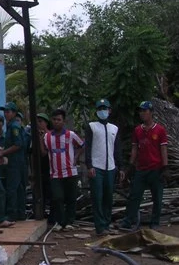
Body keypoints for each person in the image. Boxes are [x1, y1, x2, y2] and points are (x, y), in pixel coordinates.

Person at [118, 101, 169, 231]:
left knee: (157, 197)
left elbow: (163, 149)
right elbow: (135, 149)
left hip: (156, 168)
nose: (142, 113)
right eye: (140, 111)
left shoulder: (160, 130)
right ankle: (128, 221)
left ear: (151, 113)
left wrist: (165, 167)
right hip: (141, 169)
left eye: (144, 111)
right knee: (134, 195)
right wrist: (130, 166)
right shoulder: (138, 130)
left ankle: (155, 222)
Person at [84, 99, 124, 236]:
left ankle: (107, 223)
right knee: (97, 197)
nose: (102, 111)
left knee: (108, 197)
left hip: (110, 167)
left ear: (109, 110)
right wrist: (89, 165)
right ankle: (100, 227)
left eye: (104, 108)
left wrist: (121, 167)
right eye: (100, 109)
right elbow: (88, 147)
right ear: (96, 111)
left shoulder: (114, 128)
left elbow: (117, 149)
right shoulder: (92, 126)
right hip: (96, 167)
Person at [40, 109, 84, 231]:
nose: (56, 122)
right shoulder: (47, 137)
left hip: (70, 172)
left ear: (64, 121)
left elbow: (82, 145)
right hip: (55, 173)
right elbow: (43, 153)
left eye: (59, 119)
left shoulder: (70, 135)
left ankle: (69, 222)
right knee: (57, 198)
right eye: (54, 119)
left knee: (71, 198)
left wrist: (76, 157)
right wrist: (40, 139)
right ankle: (60, 221)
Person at [0, 102, 26, 221]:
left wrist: (3, 153)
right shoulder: (10, 126)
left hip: (15, 162)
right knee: (18, 188)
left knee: (12, 188)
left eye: (8, 111)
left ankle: (12, 213)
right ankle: (20, 212)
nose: (6, 114)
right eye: (5, 111)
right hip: (15, 161)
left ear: (14, 113)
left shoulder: (14, 127)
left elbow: (18, 144)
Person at [35, 113, 54, 224]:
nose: (38, 124)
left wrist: (41, 139)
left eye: (40, 121)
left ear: (46, 123)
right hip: (40, 168)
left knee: (50, 192)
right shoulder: (36, 135)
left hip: (49, 167)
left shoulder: (49, 135)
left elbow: (43, 153)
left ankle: (52, 217)